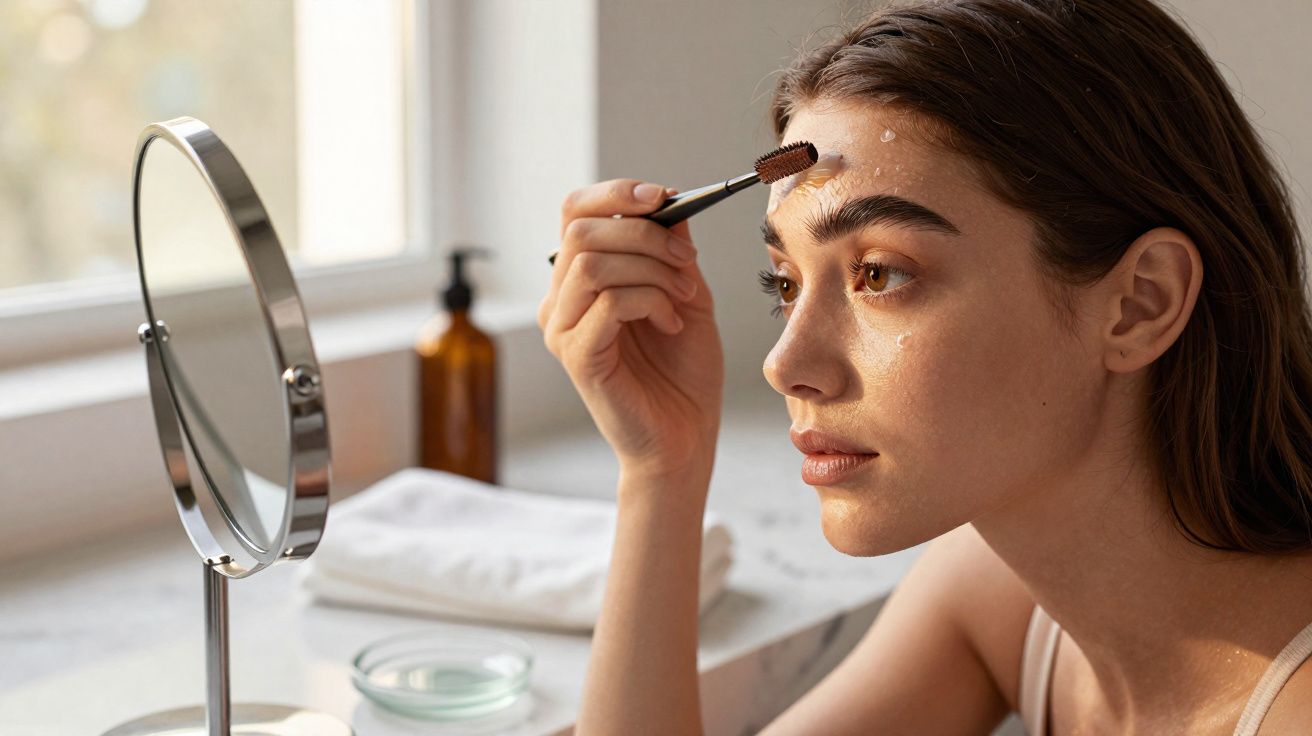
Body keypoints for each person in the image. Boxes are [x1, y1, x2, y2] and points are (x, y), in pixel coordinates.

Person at [536, 0, 1312, 733]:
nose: (786, 365)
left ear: (1141, 302)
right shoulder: (1002, 595)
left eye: (880, 274)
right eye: (786, 284)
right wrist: (663, 468)